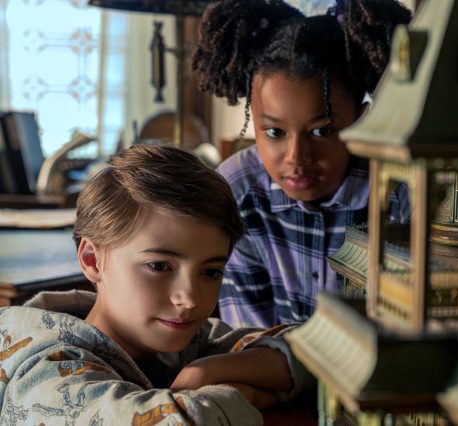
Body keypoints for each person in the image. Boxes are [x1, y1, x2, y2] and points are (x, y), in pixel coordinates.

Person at [0, 145, 305, 425]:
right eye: (159, 266)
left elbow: (316, 349)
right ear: (93, 260)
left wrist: (207, 372)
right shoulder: (45, 375)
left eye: (210, 271)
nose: (189, 298)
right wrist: (248, 393)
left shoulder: (187, 344)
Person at [192, 0, 413, 328]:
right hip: (268, 373)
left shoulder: (401, 191)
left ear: (362, 120)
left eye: (322, 130)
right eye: (274, 132)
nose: (296, 157)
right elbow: (250, 340)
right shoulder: (239, 192)